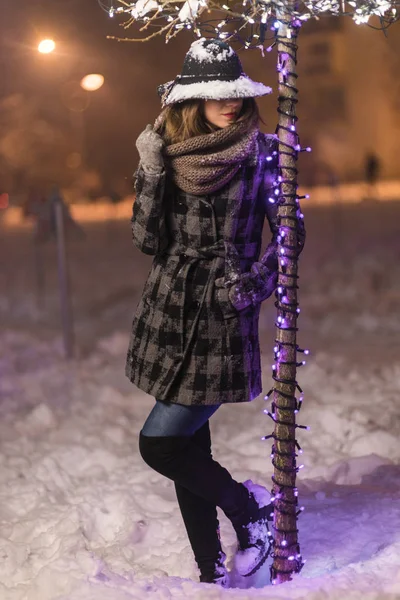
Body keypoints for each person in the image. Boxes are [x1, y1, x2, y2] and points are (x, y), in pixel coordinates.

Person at [126, 38, 305, 587]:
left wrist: (252, 285)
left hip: (222, 315)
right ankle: (209, 570)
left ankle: (249, 509)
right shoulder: (166, 152)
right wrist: (151, 172)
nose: (230, 102)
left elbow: (291, 235)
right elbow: (144, 238)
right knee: (186, 447)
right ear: (191, 100)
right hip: (169, 312)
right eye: (215, 93)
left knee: (159, 444)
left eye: (236, 92)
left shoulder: (265, 152)